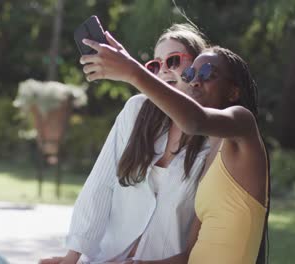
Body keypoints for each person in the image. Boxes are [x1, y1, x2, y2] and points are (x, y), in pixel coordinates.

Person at [79, 34, 270, 264]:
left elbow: (194, 121)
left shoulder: (243, 124)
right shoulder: (211, 155)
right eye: (190, 75)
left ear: (233, 92)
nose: (195, 81)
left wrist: (132, 71)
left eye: (208, 73)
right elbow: (188, 256)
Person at [40, 24, 211, 264]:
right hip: (107, 257)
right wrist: (73, 256)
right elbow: (100, 184)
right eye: (156, 65)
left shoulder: (214, 134)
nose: (164, 71)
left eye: (173, 61)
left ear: (198, 67)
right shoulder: (136, 109)